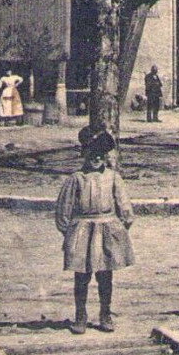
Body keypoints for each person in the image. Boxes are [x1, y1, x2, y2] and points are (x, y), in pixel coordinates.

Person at [55, 126, 134, 334]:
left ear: (106, 156)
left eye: (100, 154)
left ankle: (105, 314)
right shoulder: (76, 179)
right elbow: (63, 210)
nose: (96, 158)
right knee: (81, 276)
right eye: (92, 153)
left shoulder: (113, 177)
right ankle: (80, 316)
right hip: (82, 230)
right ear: (84, 154)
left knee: (105, 275)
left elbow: (125, 207)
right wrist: (71, 233)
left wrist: (119, 227)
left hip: (106, 229)